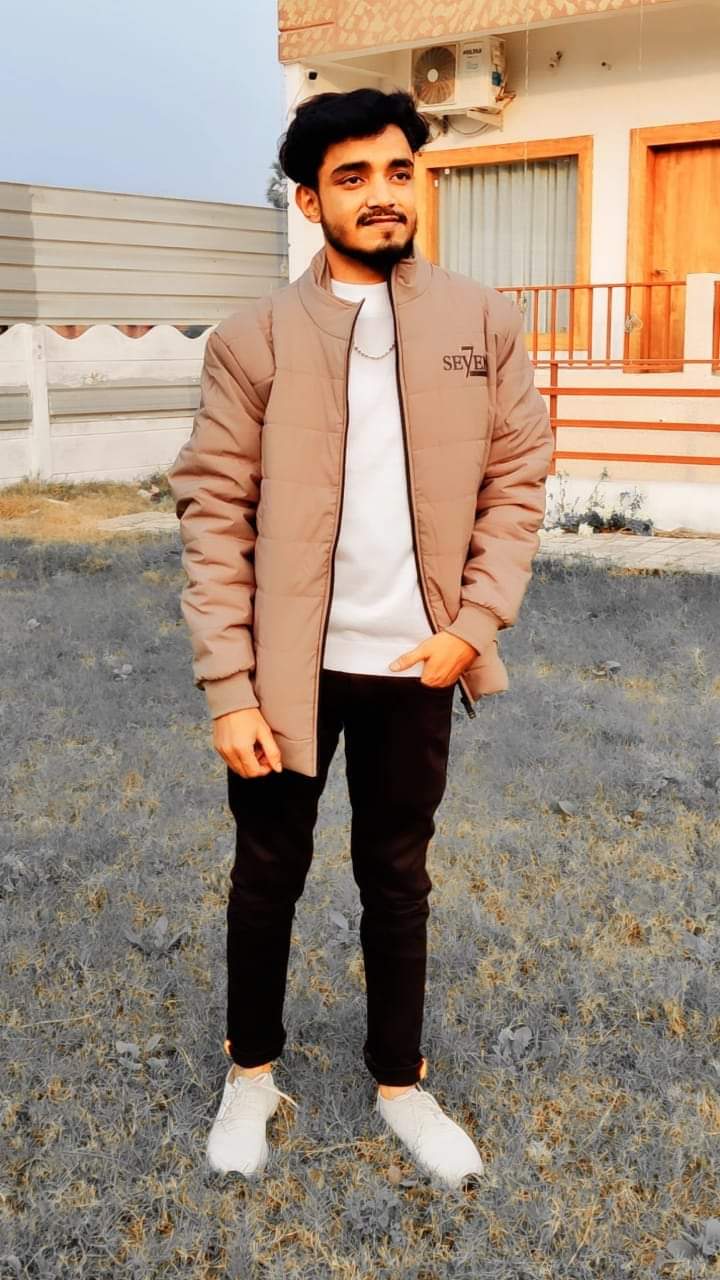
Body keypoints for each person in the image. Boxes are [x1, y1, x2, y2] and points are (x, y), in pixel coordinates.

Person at [166, 87, 554, 1189]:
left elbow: (518, 479)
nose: (382, 194)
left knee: (397, 876)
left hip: (417, 663)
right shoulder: (253, 340)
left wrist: (471, 626)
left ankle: (401, 1082)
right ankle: (252, 1074)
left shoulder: (483, 322)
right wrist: (230, 688)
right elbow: (213, 515)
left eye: (397, 171)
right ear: (309, 201)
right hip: (286, 676)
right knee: (266, 874)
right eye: (352, 177)